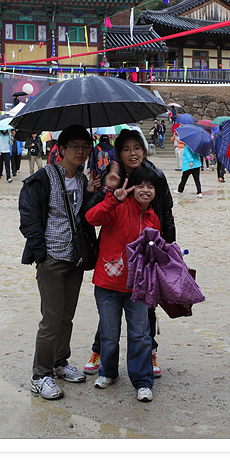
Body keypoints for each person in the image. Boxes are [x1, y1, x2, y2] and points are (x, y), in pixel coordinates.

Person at [84, 128, 176, 379]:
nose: (132, 153)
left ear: (144, 151)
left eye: (137, 148)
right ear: (119, 154)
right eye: (126, 149)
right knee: (110, 307)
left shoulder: (155, 175)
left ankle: (150, 352)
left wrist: (168, 245)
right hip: (116, 249)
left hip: (148, 247)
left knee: (147, 305)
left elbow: (166, 209)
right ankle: (99, 350)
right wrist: (103, 189)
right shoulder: (111, 175)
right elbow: (91, 212)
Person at [18, 125, 100, 401]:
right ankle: (40, 375)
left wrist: (92, 193)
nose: (81, 151)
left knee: (66, 316)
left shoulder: (82, 179)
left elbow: (85, 217)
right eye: (75, 146)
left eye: (85, 147)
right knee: (51, 319)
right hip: (52, 258)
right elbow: (29, 219)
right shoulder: (42, 179)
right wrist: (41, 256)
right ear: (61, 149)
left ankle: (59, 362)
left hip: (75, 257)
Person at [85, 166, 160, 402]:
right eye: (141, 186)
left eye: (150, 186)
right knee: (109, 334)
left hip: (137, 287)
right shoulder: (117, 206)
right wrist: (112, 200)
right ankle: (108, 372)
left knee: (140, 335)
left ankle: (143, 381)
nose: (145, 190)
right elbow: (91, 218)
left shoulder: (154, 218)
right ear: (132, 187)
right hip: (108, 282)